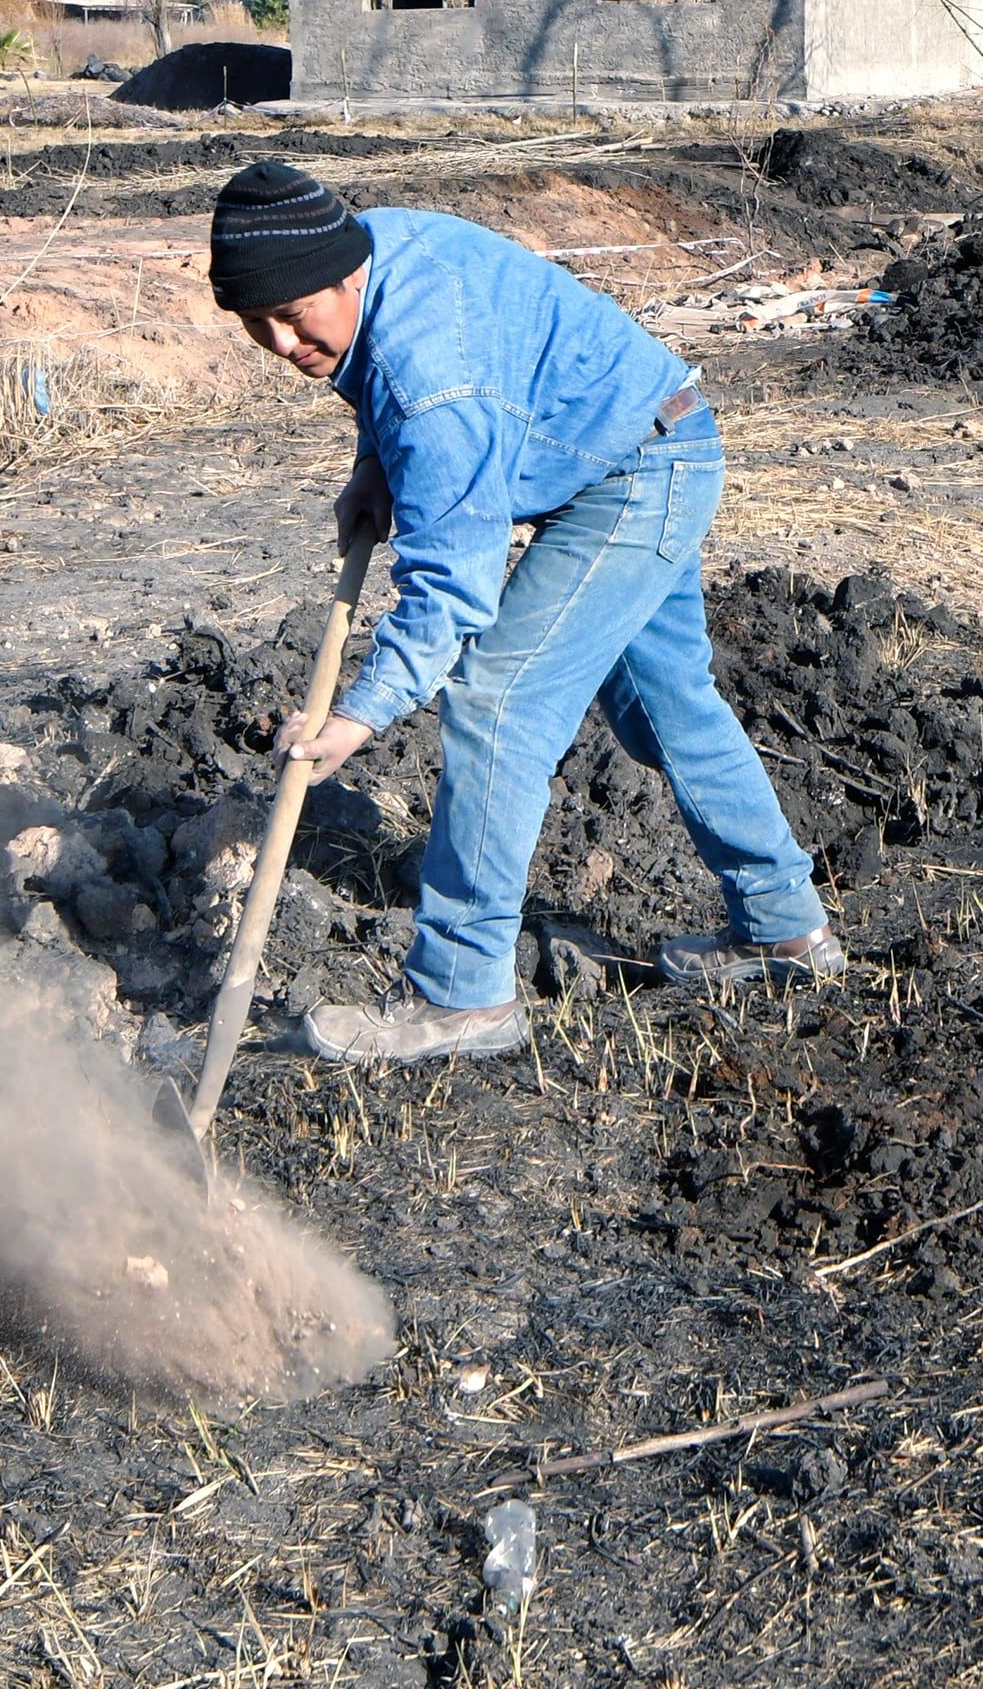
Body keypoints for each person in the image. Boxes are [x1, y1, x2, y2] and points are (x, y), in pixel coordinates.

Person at [208, 160, 840, 1062]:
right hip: (650, 435)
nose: (278, 342)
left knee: (497, 699)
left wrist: (361, 712)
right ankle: (785, 928)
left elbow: (455, 580)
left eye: (293, 315)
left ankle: (461, 994)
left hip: (630, 475)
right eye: (253, 323)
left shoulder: (433, 382)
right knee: (667, 707)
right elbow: (405, 380)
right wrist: (375, 465)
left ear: (347, 276)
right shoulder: (367, 246)